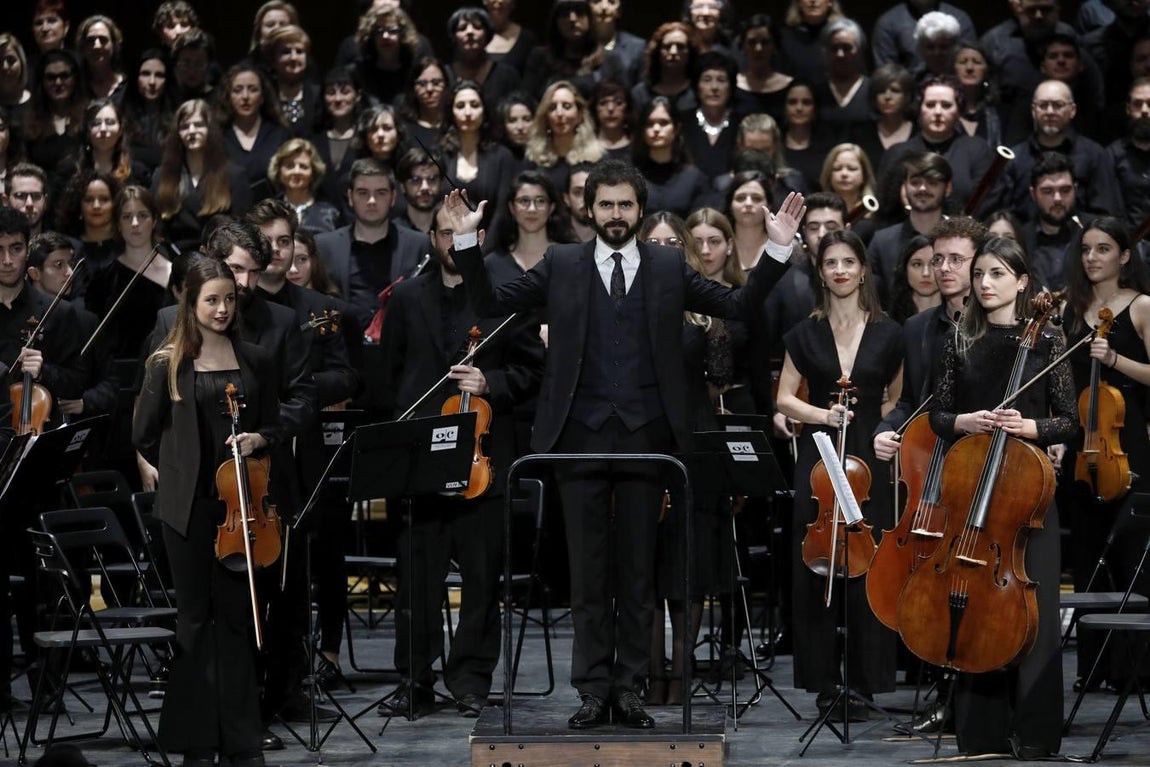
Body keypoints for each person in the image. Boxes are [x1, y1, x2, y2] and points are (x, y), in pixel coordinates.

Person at [445, 158, 804, 730]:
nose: (616, 214)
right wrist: (466, 240)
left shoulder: (668, 264)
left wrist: (777, 249)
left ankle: (630, 688)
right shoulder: (562, 262)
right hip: (578, 437)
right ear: (589, 210)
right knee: (588, 575)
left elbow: (737, 306)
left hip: (648, 437)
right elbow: (490, 302)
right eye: (606, 204)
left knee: (639, 573)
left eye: (625, 205)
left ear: (640, 210)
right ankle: (592, 690)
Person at [375, 200, 543, 719]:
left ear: (479, 238)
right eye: (443, 233)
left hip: (483, 459)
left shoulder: (505, 297)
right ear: (430, 238)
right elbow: (388, 375)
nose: (451, 242)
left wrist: (492, 383)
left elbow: (534, 372)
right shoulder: (406, 297)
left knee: (480, 578)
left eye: (460, 234)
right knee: (416, 578)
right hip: (421, 458)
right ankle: (414, 680)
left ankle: (471, 681)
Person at [926, 234, 1076, 758]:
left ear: (1022, 282)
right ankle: (982, 732)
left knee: (1036, 613)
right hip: (975, 495)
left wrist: (1030, 426)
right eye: (979, 274)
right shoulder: (959, 338)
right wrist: (965, 421)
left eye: (996, 274)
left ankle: (1035, 732)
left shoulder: (1048, 338)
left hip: (1028, 497)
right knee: (979, 609)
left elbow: (1068, 421)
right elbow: (938, 415)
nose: (984, 283)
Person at [133, 247, 284, 767]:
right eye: (211, 300)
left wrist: (259, 438)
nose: (222, 309)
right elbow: (142, 433)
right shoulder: (167, 362)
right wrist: (181, 467)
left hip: (241, 507)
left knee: (238, 621)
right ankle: (198, 741)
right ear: (190, 303)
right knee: (195, 622)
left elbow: (276, 422)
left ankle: (242, 740)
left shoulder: (255, 358)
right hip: (189, 511)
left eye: (229, 300)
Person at [774, 229, 902, 720]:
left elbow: (899, 399)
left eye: (849, 261)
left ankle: (866, 681)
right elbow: (785, 398)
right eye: (831, 263)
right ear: (821, 272)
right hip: (820, 458)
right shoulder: (804, 332)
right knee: (818, 564)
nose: (841, 270)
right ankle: (825, 680)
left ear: (863, 269)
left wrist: (879, 428)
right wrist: (823, 415)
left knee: (871, 563)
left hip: (871, 456)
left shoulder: (890, 332)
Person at [1060, 217, 1150, 694]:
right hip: (1083, 439)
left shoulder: (1141, 306)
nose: (1092, 257)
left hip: (1127, 439)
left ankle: (1134, 668)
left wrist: (1115, 359)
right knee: (1088, 553)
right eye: (1087, 249)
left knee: (1131, 554)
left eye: (1104, 248)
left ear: (1125, 255)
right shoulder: (1072, 310)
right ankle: (1092, 667)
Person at [314, 158, 428, 334]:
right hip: (342, 345)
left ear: (393, 197)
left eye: (381, 193)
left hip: (400, 346)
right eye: (363, 193)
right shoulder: (323, 246)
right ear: (350, 197)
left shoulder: (419, 244)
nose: (372, 200)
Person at [1001, 79, 1124, 221]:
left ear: (1072, 110)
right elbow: (1004, 216)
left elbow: (1107, 213)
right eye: (1043, 105)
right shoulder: (1014, 158)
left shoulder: (1094, 155)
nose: (1050, 111)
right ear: (1033, 111)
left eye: (1058, 105)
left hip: (1082, 234)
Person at [82, 184, 173, 359]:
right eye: (127, 217)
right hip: (116, 371)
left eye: (142, 216)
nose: (135, 224)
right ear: (118, 224)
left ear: (154, 220)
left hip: (163, 366)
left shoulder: (173, 273)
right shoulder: (103, 278)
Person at [153, 99, 252, 252]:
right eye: (184, 127)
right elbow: (157, 231)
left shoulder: (234, 176)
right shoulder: (161, 176)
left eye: (198, 125)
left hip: (221, 259)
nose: (191, 131)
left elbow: (243, 231)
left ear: (210, 129)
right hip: (175, 261)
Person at [869, 151, 952, 308]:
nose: (922, 188)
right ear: (904, 186)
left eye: (932, 182)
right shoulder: (882, 242)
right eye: (915, 182)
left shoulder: (961, 241)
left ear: (947, 188)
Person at [217, 63, 290, 204]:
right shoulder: (219, 136)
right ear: (228, 97)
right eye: (237, 90)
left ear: (262, 96)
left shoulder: (279, 134)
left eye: (253, 89)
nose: (245, 96)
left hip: (271, 211)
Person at [1020, 151, 1090, 291]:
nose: (1057, 198)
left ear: (1075, 189)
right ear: (1033, 194)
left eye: (1065, 190)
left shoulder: (1093, 231)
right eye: (1048, 191)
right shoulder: (1021, 239)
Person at [631, 97, 707, 218]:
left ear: (677, 128)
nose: (656, 129)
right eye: (649, 124)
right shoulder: (630, 177)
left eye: (664, 123)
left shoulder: (694, 178)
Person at [523, 80, 604, 193]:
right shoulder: (533, 158)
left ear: (579, 114)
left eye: (566, 106)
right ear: (545, 116)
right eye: (552, 107)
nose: (559, 113)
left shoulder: (598, 158)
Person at [447, 7, 522, 109]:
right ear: (454, 36)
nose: (470, 32)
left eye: (477, 27)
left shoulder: (507, 75)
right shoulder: (444, 75)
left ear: (487, 34)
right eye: (462, 28)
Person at [268, 137, 342, 235]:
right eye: (290, 166)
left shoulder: (330, 213)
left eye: (303, 166)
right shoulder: (269, 211)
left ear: (313, 173)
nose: (296, 171)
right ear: (279, 172)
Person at [1110, 76, 1150, 230]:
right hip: (1129, 240)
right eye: (1138, 104)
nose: (1144, 110)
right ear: (1128, 109)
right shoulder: (1112, 155)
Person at [887, 234, 940, 324]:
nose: (926, 273)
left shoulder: (960, 319)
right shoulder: (886, 322)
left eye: (933, 264)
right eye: (917, 264)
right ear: (904, 269)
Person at [394, 146, 445, 234]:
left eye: (432, 179)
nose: (425, 187)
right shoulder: (393, 233)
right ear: (402, 186)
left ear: (442, 184)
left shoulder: (454, 229)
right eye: (416, 180)